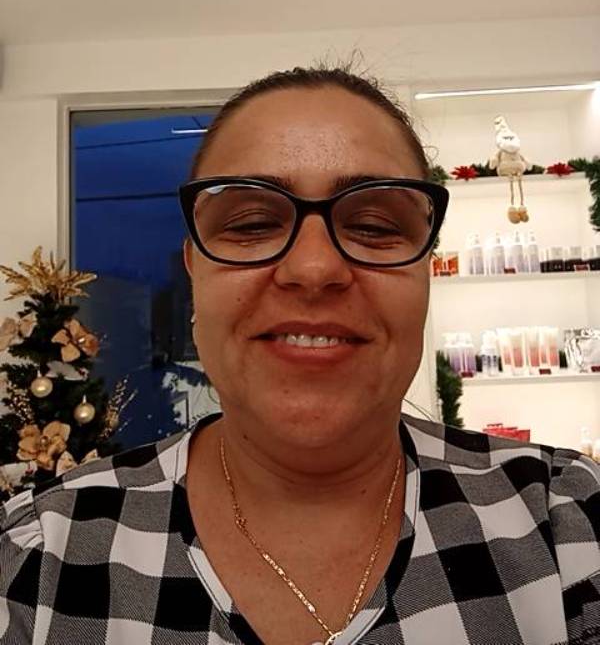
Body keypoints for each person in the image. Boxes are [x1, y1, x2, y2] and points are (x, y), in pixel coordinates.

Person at [1, 66, 599, 645]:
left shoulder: (568, 521)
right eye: (251, 223)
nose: (314, 268)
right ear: (194, 269)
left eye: (373, 226)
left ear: (425, 268)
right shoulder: (41, 552)